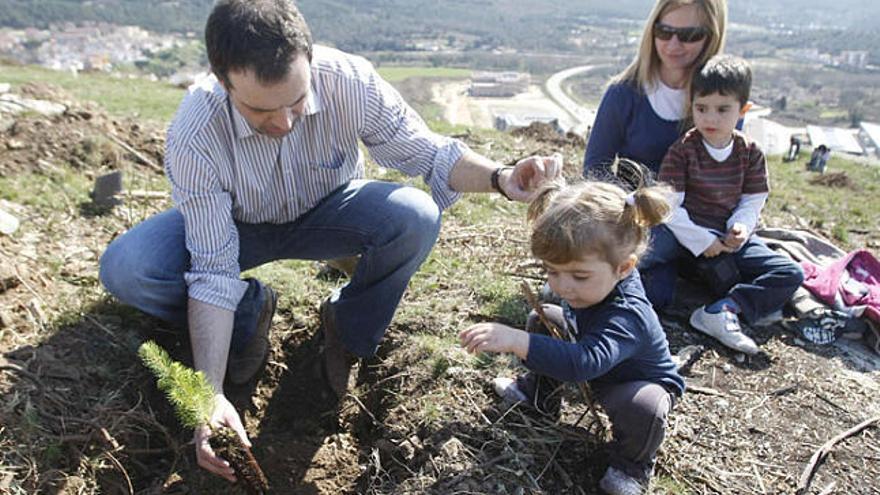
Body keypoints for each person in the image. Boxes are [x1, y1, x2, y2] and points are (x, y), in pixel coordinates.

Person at [98, 0, 561, 483]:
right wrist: (209, 395)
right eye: (260, 109)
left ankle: (347, 331)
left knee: (414, 216)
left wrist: (504, 178)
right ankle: (249, 317)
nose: (284, 123)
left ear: (310, 61)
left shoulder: (348, 81)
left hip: (329, 213)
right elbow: (213, 267)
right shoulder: (195, 131)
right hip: (236, 228)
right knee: (129, 269)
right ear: (222, 82)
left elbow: (429, 153)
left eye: (296, 101)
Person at [459, 178, 685, 495]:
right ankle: (539, 396)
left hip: (628, 383)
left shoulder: (627, 314)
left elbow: (584, 363)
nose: (563, 286)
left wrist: (514, 340)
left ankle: (632, 466)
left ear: (624, 268)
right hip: (593, 359)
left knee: (646, 407)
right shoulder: (596, 281)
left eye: (579, 275)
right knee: (543, 319)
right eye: (552, 271)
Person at [641, 55, 805, 355]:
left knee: (790, 273)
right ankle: (585, 276)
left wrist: (740, 227)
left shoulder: (750, 152)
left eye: (722, 109)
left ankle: (723, 310)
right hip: (683, 236)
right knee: (646, 254)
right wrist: (702, 241)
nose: (710, 119)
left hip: (727, 239)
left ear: (743, 110)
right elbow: (668, 207)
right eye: (701, 108)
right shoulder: (683, 151)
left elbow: (752, 200)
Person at [583, 0, 728, 177]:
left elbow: (732, 171)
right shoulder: (623, 94)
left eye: (688, 35)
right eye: (664, 32)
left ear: (711, 37)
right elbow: (594, 170)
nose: (673, 45)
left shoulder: (725, 99)